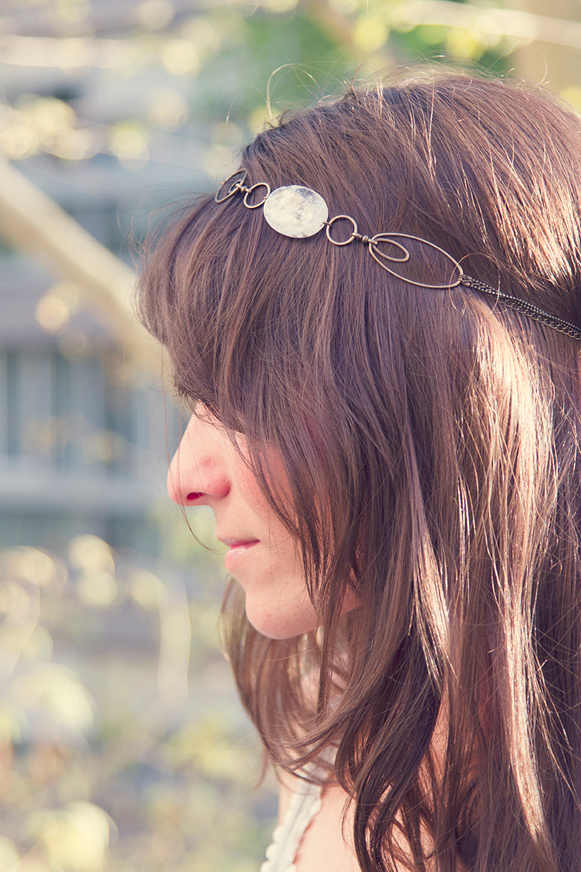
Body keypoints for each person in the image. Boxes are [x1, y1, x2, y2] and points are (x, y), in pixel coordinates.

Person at [137, 70, 581, 872]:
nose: (185, 477)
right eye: (195, 401)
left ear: (458, 397)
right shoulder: (332, 718)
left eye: (249, 397)